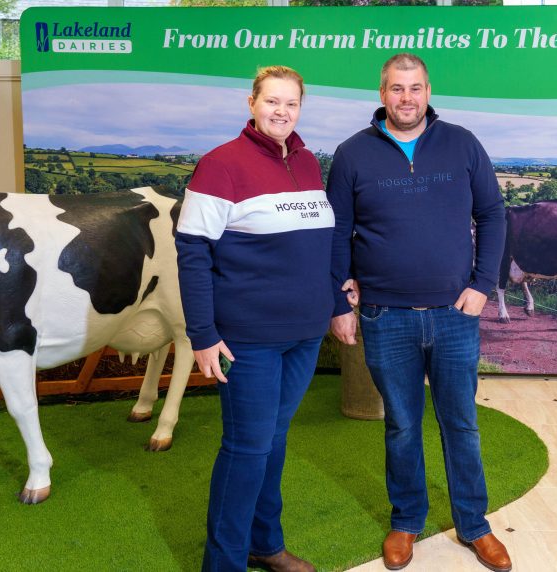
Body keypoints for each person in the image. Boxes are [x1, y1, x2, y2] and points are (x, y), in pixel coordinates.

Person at [327, 53, 511, 572]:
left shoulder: (462, 143)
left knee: (462, 424)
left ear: (428, 90)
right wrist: (339, 303)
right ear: (382, 92)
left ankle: (475, 525)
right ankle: (406, 520)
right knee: (402, 426)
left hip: (455, 314)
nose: (406, 98)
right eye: (395, 88)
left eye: (415, 88)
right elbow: (337, 232)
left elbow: (493, 214)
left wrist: (482, 285)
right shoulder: (352, 154)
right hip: (386, 317)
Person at [176, 65, 334, 572]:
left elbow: (318, 247)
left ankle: (266, 544)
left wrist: (335, 305)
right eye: (272, 101)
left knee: (274, 439)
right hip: (248, 338)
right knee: (247, 448)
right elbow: (193, 253)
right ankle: (222, 564)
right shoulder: (220, 164)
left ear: (300, 108)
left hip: (304, 335)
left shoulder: (308, 162)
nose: (281, 111)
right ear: (252, 103)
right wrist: (202, 333)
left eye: (291, 103)